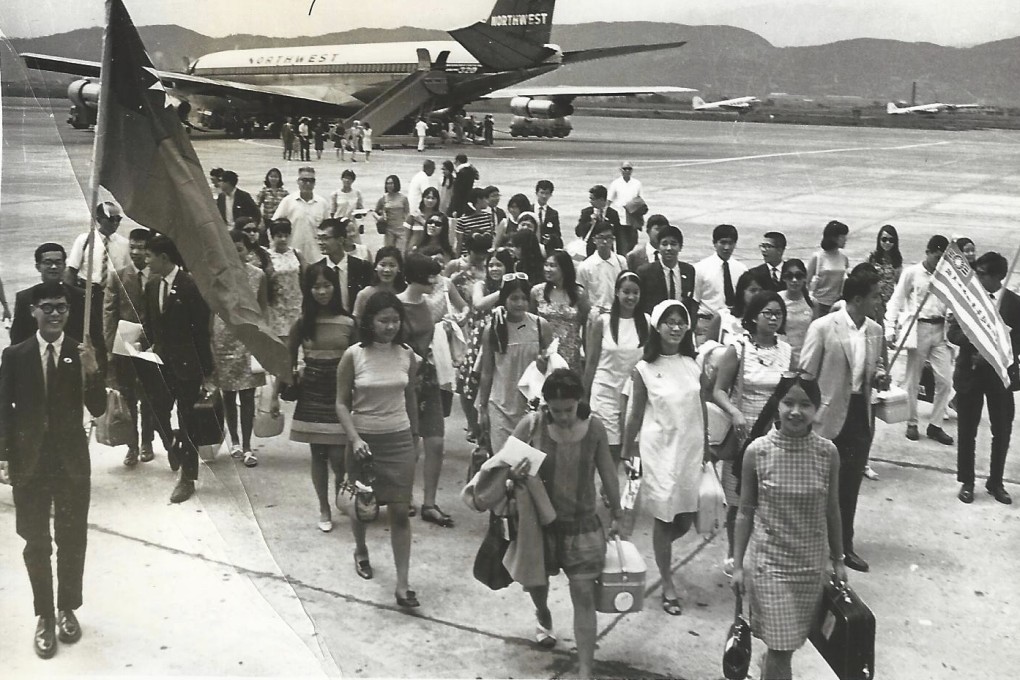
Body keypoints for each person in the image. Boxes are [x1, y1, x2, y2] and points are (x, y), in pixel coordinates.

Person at [0, 281, 106, 660]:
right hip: (30, 463)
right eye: (47, 307)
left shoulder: (82, 352)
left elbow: (97, 409)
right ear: (33, 311)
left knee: (72, 538)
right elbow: (3, 412)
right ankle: (44, 615)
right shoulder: (15, 355)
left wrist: (93, 372)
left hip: (71, 462)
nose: (55, 313)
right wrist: (3, 457)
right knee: (36, 542)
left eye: (61, 307)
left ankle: (67, 609)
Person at [731, 373, 848, 680]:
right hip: (771, 567)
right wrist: (739, 563)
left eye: (805, 404)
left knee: (787, 643)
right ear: (777, 405)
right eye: (788, 403)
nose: (796, 411)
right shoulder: (757, 452)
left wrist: (838, 560)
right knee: (782, 646)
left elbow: (833, 510)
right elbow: (744, 511)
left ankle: (768, 669)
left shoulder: (828, 453)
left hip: (810, 568)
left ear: (817, 408)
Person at [506, 369, 621, 678]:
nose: (563, 417)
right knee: (536, 584)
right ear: (545, 405)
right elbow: (503, 462)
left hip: (583, 525)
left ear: (579, 402)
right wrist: (512, 475)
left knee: (583, 596)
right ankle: (543, 613)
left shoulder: (595, 428)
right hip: (539, 526)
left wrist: (618, 513)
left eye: (568, 410)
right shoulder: (532, 425)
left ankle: (585, 670)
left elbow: (608, 470)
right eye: (556, 411)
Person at [799, 264, 887, 573]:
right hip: (826, 417)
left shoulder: (875, 331)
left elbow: (873, 369)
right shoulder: (823, 327)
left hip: (859, 417)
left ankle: (843, 546)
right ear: (859, 298)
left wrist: (879, 376)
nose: (880, 300)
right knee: (817, 487)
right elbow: (806, 375)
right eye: (876, 296)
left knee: (849, 488)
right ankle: (810, 545)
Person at [335, 291, 420, 606]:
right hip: (364, 442)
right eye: (383, 320)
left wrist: (415, 436)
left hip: (399, 439)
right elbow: (341, 403)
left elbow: (410, 396)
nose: (390, 326)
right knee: (363, 507)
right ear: (369, 321)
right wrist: (355, 438)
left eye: (395, 320)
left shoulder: (407, 354)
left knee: (400, 511)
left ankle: (403, 584)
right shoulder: (353, 355)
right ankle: (361, 550)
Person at [621, 300, 704, 614]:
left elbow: (701, 407)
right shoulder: (644, 369)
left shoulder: (693, 364)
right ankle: (667, 583)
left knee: (686, 517)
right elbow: (635, 414)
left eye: (681, 321)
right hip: (660, 452)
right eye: (669, 321)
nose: (676, 327)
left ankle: (662, 551)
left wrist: (707, 446)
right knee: (665, 516)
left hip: (690, 450)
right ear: (657, 326)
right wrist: (628, 450)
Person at [712, 291, 793, 576]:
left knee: (770, 499)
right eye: (768, 313)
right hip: (743, 432)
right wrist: (734, 413)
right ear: (754, 316)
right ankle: (734, 555)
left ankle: (765, 553)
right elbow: (719, 389)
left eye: (778, 314)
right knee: (738, 500)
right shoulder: (737, 347)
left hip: (775, 433)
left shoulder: (786, 350)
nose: (773, 318)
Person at [141, 235, 215, 504]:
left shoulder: (190, 286)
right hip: (160, 365)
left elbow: (201, 331)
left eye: (149, 256)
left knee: (187, 419)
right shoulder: (151, 286)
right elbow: (150, 326)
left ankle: (188, 477)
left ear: (164, 258)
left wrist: (207, 371)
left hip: (186, 366)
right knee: (158, 412)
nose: (146, 261)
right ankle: (174, 447)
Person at [287, 263, 356, 531]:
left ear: (335, 288)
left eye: (326, 285)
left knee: (339, 456)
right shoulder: (303, 323)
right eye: (316, 286)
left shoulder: (349, 322)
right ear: (308, 290)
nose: (322, 291)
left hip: (341, 393)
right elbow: (288, 354)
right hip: (312, 392)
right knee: (318, 454)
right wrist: (291, 377)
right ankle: (323, 508)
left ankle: (341, 490)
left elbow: (358, 359)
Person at [950, 252, 1020, 505]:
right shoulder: (968, 299)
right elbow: (953, 333)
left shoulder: (1014, 303)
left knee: (1001, 430)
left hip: (999, 376)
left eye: (981, 274)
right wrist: (976, 341)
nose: (976, 277)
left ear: (998, 277)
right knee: (967, 429)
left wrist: (1000, 346)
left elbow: (1018, 341)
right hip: (970, 372)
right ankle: (967, 481)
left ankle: (996, 481)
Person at [398, 253, 455, 526]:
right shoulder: (396, 305)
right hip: (404, 381)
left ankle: (430, 502)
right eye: (431, 276)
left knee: (436, 442)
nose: (435, 281)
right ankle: (405, 496)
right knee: (409, 443)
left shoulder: (427, 304)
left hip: (429, 378)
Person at [884, 235, 955, 445]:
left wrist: (950, 313)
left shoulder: (947, 276)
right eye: (936, 256)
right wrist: (890, 327)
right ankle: (912, 422)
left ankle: (935, 425)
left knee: (945, 380)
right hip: (919, 327)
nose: (938, 261)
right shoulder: (912, 273)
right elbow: (896, 300)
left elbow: (952, 301)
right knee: (912, 379)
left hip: (940, 329)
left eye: (943, 258)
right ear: (928, 252)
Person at [476, 275, 552, 454]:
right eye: (514, 298)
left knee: (529, 465)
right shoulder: (492, 329)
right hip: (501, 408)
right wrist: (482, 408)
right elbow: (487, 372)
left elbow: (552, 365)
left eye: (524, 298)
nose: (520, 303)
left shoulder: (541, 326)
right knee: (504, 463)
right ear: (504, 299)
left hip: (533, 408)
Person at [214, 231, 269, 467]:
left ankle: (248, 445)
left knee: (248, 395)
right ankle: (234, 441)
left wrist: (264, 339)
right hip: (223, 338)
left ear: (248, 251)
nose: (235, 254)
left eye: (240, 249)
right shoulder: (217, 277)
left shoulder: (258, 276)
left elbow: (264, 309)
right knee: (227, 393)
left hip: (249, 338)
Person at [102, 227, 155, 466]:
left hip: (153, 342)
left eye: (141, 248)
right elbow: (109, 314)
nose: (136, 252)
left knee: (150, 395)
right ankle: (132, 445)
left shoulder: (157, 274)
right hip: (126, 339)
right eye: (132, 247)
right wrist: (110, 348)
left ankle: (148, 441)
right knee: (128, 396)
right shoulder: (118, 276)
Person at [583, 271, 649, 461]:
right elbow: (592, 362)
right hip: (604, 392)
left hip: (632, 397)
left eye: (635, 292)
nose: (631, 297)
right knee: (607, 449)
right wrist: (585, 397)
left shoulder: (647, 321)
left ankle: (617, 490)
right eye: (626, 292)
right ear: (617, 292)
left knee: (628, 452)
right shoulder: (602, 322)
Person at [459, 245, 514, 441]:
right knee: (466, 385)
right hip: (478, 340)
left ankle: (490, 430)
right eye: (491, 265)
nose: (494, 269)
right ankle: (473, 423)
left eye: (499, 265)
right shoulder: (481, 286)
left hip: (505, 340)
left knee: (493, 386)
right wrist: (505, 290)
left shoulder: (514, 290)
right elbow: (479, 304)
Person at [66, 203, 131, 353]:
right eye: (111, 219)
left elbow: (127, 274)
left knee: (109, 333)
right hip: (88, 293)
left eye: (118, 219)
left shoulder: (123, 244)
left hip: (111, 295)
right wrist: (69, 297)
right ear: (99, 219)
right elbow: (71, 270)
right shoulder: (85, 240)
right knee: (87, 332)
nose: (115, 223)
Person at [10, 244, 89, 347]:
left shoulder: (81, 296)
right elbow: (18, 337)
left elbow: (95, 337)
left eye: (58, 262)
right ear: (38, 267)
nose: (53, 267)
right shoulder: (24, 298)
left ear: (65, 265)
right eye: (48, 263)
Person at [533, 249, 590, 373]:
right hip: (543, 357)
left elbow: (587, 328)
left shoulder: (579, 294)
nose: (547, 269)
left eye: (552, 266)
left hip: (570, 357)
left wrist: (587, 355)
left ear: (564, 268)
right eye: (546, 265)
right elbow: (527, 324)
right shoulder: (537, 292)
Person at [693, 224, 749, 340]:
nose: (727, 247)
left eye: (731, 243)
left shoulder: (741, 270)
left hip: (732, 324)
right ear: (714, 243)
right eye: (722, 243)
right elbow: (694, 301)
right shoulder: (700, 268)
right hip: (707, 323)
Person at [636, 223, 697, 319]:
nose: (669, 248)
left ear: (680, 247)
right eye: (664, 244)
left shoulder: (689, 270)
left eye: (673, 244)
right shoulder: (645, 272)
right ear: (658, 247)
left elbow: (689, 302)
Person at [315, 218, 374, 317]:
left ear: (340, 240)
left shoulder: (362, 267)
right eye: (318, 238)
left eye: (325, 238)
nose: (321, 242)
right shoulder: (316, 269)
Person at [272, 166, 330, 263]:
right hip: (292, 257)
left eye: (311, 180)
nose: (307, 183)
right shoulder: (288, 201)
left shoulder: (322, 203)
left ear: (314, 183)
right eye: (304, 180)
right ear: (298, 181)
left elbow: (328, 231)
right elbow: (274, 227)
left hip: (316, 257)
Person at [705, 269, 771, 347]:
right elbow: (707, 349)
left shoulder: (771, 318)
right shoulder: (723, 317)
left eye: (761, 291)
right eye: (753, 290)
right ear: (742, 292)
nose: (758, 295)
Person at [576, 221, 628, 316]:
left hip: (617, 314)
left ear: (613, 240)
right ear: (594, 240)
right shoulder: (585, 266)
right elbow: (581, 295)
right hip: (595, 315)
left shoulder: (621, 262)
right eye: (601, 238)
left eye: (608, 238)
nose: (605, 242)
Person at [266, 219, 307, 340]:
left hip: (296, 302)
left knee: (297, 338)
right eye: (279, 236)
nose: (283, 239)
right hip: (277, 305)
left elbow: (305, 276)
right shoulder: (267, 255)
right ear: (273, 237)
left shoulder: (296, 253)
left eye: (286, 236)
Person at [806, 220, 850, 318]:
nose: (845, 239)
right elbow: (806, 282)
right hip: (819, 305)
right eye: (842, 236)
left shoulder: (844, 258)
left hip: (837, 305)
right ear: (834, 238)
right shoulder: (817, 257)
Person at [353, 246, 405, 320]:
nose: (387, 270)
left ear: (399, 268)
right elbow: (357, 320)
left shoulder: (404, 292)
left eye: (392, 265)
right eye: (383, 265)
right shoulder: (365, 294)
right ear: (375, 267)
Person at [778, 259, 814, 365]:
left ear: (804, 278)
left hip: (806, 355)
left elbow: (815, 334)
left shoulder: (812, 302)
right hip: (782, 354)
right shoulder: (777, 299)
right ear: (784, 278)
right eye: (789, 276)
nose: (794, 280)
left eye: (799, 276)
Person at [867, 224, 903, 325]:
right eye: (884, 239)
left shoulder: (896, 261)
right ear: (879, 240)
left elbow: (900, 284)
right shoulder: (871, 258)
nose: (887, 243)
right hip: (872, 300)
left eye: (891, 240)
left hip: (888, 303)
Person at [607, 161, 644, 254]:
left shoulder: (637, 183)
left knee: (633, 243)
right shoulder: (615, 183)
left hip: (632, 218)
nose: (627, 171)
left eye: (629, 169)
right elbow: (609, 200)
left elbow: (641, 200)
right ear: (621, 170)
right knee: (622, 245)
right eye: (625, 169)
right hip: (619, 219)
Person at [574, 185, 622, 257]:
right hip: (589, 251)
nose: (590, 201)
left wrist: (618, 254)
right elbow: (578, 232)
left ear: (601, 200)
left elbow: (618, 235)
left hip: (607, 251)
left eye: (592, 199)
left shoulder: (612, 214)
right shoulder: (586, 212)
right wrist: (590, 223)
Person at [374, 175, 412, 251]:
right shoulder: (383, 198)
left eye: (391, 183)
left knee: (401, 253)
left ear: (396, 184)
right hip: (389, 230)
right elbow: (374, 212)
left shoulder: (403, 198)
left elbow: (407, 213)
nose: (389, 186)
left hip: (401, 230)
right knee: (388, 252)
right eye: (387, 183)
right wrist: (379, 218)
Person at [454, 188, 496, 255]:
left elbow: (492, 237)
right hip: (468, 255)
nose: (487, 202)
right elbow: (459, 243)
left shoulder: (488, 217)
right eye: (485, 199)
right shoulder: (463, 220)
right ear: (479, 200)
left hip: (485, 254)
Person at [407, 187, 448, 253]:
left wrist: (422, 221)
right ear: (423, 198)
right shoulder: (413, 215)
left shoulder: (441, 217)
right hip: (412, 253)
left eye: (433, 198)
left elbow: (444, 236)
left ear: (437, 200)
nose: (430, 201)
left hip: (432, 252)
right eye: (427, 197)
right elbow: (405, 237)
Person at [255, 168, 289, 245]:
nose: (273, 179)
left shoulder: (284, 193)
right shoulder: (264, 191)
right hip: (267, 221)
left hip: (279, 222)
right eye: (271, 176)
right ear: (267, 177)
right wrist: (260, 221)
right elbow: (256, 206)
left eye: (276, 177)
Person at [533, 179, 563, 251]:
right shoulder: (528, 209)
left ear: (551, 194)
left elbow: (557, 234)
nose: (544, 196)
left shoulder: (553, 213)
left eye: (547, 193)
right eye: (542, 193)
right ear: (536, 193)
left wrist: (551, 238)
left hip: (546, 248)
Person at [451, 153, 479, 218]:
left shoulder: (460, 173)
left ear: (458, 161)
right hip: (468, 196)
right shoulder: (471, 169)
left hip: (461, 200)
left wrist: (454, 207)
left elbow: (457, 192)